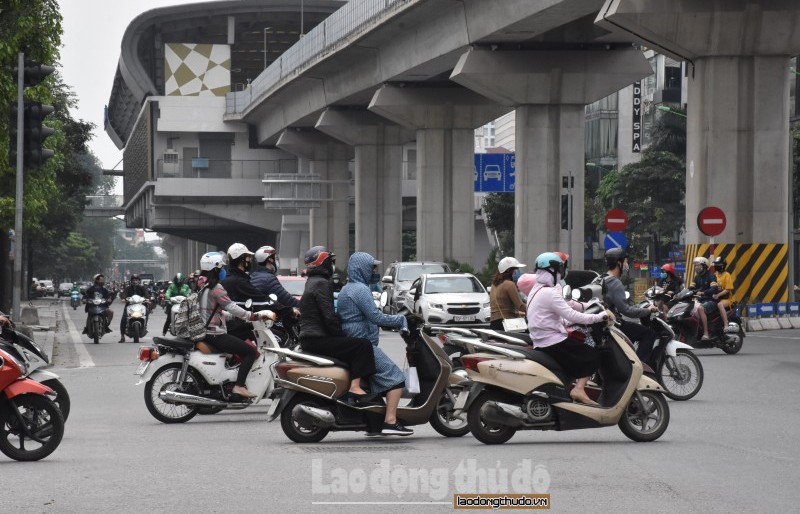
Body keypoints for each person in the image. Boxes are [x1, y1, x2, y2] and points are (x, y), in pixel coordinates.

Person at [338, 252, 413, 436]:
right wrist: (400, 320)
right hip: (363, 344)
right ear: (361, 268)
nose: (375, 271)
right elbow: (375, 316)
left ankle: (374, 425)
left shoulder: (347, 288)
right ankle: (390, 421)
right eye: (372, 267)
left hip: (355, 341)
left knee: (374, 384)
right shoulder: (360, 290)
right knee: (395, 378)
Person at [527, 252, 608, 406]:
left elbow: (568, 306)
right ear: (552, 270)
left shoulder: (536, 290)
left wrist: (588, 306)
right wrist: (600, 317)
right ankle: (579, 389)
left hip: (541, 341)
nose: (560, 273)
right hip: (552, 341)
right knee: (595, 354)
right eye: (559, 269)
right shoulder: (549, 292)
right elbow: (572, 315)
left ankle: (570, 388)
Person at [298, 246, 376, 400]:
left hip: (310, 338)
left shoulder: (312, 281)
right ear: (323, 263)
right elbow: (328, 316)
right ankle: (355, 387)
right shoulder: (322, 283)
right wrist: (340, 334)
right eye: (330, 261)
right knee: (363, 345)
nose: (332, 265)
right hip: (317, 339)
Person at [197, 251, 275, 398]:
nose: (223, 271)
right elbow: (230, 306)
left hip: (205, 332)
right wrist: (251, 316)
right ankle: (239, 386)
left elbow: (213, 312)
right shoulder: (216, 288)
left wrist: (234, 317)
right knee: (250, 352)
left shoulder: (202, 286)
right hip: (215, 334)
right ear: (216, 268)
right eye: (221, 268)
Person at [601, 248, 659, 363]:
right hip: (615, 325)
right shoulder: (615, 283)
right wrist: (647, 310)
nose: (627, 265)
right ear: (619, 263)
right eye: (626, 262)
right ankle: (640, 367)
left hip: (605, 325)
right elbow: (626, 310)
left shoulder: (601, 279)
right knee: (649, 334)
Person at [221, 243, 272, 342]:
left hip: (230, 327)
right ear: (241, 259)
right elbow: (261, 300)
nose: (250, 261)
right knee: (253, 353)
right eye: (248, 258)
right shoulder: (239, 282)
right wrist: (287, 310)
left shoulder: (227, 280)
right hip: (238, 328)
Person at [251, 245, 300, 310]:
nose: (276, 261)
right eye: (275, 258)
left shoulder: (253, 276)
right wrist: (304, 305)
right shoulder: (268, 279)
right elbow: (287, 300)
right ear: (270, 260)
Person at [489, 256, 527, 330]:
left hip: (494, 323)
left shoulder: (494, 285)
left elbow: (502, 307)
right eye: (516, 269)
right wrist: (534, 309)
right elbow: (520, 306)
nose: (518, 272)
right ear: (510, 271)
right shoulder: (509, 284)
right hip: (506, 324)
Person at [690, 256, 723, 340]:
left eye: (698, 265)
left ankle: (706, 333)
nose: (696, 267)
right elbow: (691, 288)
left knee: (700, 309)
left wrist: (704, 292)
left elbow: (714, 288)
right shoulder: (696, 277)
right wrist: (680, 294)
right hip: (700, 300)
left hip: (710, 300)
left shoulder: (710, 276)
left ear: (704, 266)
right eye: (695, 265)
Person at [117, 274, 150, 343]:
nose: (135, 281)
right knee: (123, 318)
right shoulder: (128, 288)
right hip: (129, 305)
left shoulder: (142, 288)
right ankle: (122, 336)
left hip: (141, 305)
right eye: (134, 280)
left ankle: (145, 325)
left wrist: (148, 299)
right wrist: (123, 298)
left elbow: (146, 294)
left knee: (147, 311)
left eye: (137, 280)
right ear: (131, 281)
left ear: (139, 281)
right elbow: (124, 294)